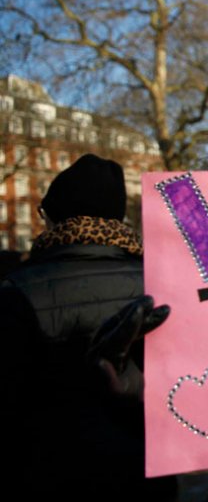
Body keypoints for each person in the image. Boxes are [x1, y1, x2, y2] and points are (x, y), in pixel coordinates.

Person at [1, 154, 173, 500]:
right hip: (145, 473)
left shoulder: (17, 289)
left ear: (52, 217)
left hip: (49, 475)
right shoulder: (161, 282)